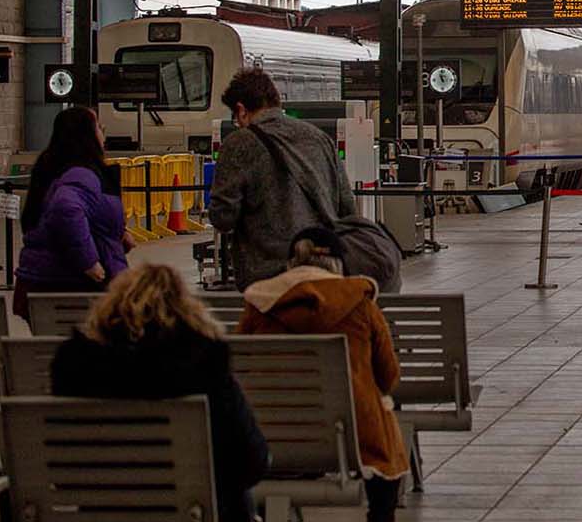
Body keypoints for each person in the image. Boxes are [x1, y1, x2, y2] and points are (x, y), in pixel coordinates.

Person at [51, 264, 269, 522]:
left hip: (103, 507)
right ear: (186, 309)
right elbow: (250, 461)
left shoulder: (75, 367)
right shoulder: (205, 368)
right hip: (192, 510)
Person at [238, 228, 408, 522]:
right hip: (350, 438)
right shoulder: (361, 305)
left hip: (270, 434)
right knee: (383, 425)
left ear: (291, 263)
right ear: (339, 264)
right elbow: (388, 376)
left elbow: (238, 368)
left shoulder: (259, 306)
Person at [210, 68, 357, 290]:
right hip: (324, 271)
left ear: (241, 111)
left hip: (267, 278)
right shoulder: (319, 138)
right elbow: (347, 206)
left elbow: (223, 217)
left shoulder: (239, 143)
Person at [13, 106, 130, 320]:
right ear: (86, 134)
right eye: (99, 127)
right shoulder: (82, 172)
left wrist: (116, 233)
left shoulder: (49, 166)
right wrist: (89, 261)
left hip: (39, 281)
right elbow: (66, 209)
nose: (103, 133)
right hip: (73, 286)